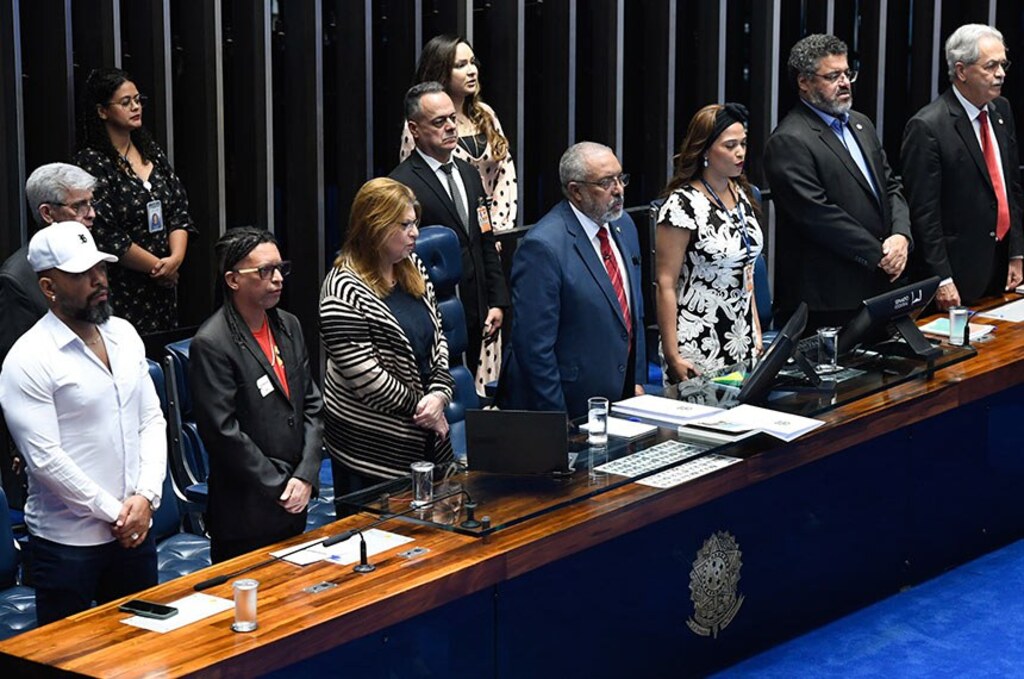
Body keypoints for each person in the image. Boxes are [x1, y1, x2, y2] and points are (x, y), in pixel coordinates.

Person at [0, 221, 165, 625]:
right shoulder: (28, 358)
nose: (98, 279)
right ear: (48, 288)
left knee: (146, 649)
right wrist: (119, 514)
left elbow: (151, 419)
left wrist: (145, 498)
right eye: (80, 274)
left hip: (136, 530)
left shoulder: (124, 334)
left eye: (100, 268)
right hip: (67, 544)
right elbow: (45, 460)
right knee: (66, 661)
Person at [189, 228, 324, 563]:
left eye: (280, 269)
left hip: (295, 499)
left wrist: (306, 475)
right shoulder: (212, 343)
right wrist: (281, 485)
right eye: (265, 271)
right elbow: (223, 433)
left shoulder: (289, 326)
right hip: (245, 512)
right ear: (233, 280)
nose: (277, 279)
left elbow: (311, 404)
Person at [764, 34, 912, 331]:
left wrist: (901, 235)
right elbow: (818, 216)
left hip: (881, 285)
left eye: (847, 73)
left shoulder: (861, 124)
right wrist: (879, 255)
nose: (845, 82)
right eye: (833, 76)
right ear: (804, 82)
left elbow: (891, 186)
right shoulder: (790, 139)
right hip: (831, 300)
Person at [319, 178, 454, 500]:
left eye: (415, 223)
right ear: (375, 227)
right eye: (405, 225)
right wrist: (427, 411)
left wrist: (440, 394)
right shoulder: (341, 290)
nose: (416, 233)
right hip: (371, 447)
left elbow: (439, 338)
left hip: (425, 433)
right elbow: (367, 380)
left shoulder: (413, 266)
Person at [498, 142, 646, 420]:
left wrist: (635, 380)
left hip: (620, 398)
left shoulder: (623, 225)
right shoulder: (543, 247)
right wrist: (557, 421)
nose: (619, 189)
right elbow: (534, 348)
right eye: (605, 182)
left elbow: (632, 312)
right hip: (568, 405)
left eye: (620, 178)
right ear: (576, 190)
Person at [390, 82, 509, 394]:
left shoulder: (470, 174)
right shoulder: (400, 184)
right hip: (430, 310)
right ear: (414, 129)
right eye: (438, 122)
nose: (450, 127)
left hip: (474, 303)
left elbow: (484, 238)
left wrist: (496, 300)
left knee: (468, 390)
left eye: (452, 118)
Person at [901, 24, 1023, 308]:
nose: (1001, 73)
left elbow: (1011, 188)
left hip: (1001, 265)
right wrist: (941, 278)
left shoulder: (1001, 110)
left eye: (1003, 64)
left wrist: (1017, 252)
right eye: (990, 66)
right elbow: (924, 213)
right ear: (961, 71)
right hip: (957, 275)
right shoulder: (928, 126)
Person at [0, 163, 97, 508]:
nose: (92, 214)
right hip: (54, 425)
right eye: (80, 206)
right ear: (48, 213)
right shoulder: (18, 278)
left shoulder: (91, 259)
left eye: (91, 203)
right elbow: (18, 371)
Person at [74, 68, 197, 334]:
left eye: (138, 100)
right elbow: (105, 233)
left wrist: (174, 259)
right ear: (102, 111)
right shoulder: (93, 162)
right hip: (123, 286)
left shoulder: (150, 151)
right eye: (126, 102)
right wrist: (159, 268)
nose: (136, 107)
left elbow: (178, 209)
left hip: (164, 286)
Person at [654, 103, 765, 396]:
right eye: (730, 146)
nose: (740, 152)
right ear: (704, 150)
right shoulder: (681, 204)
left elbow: (747, 270)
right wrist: (672, 353)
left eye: (742, 144)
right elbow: (665, 283)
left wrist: (756, 330)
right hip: (698, 338)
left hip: (741, 336)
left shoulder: (741, 194)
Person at [400, 35, 518, 233]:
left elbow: (506, 174)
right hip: (448, 231)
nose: (472, 71)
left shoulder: (486, 114)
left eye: (473, 63)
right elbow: (414, 186)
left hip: (495, 230)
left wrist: (497, 229)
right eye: (461, 65)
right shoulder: (419, 124)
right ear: (441, 71)